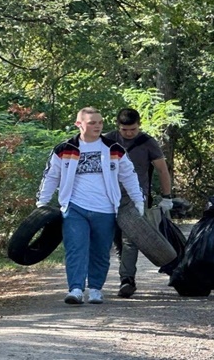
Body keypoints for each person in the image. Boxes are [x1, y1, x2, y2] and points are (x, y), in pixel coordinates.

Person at [36, 107, 145, 305]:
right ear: (79, 124)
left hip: (105, 209)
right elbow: (51, 176)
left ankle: (95, 289)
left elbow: (128, 175)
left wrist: (138, 200)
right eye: (92, 122)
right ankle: (76, 289)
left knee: (100, 251)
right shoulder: (64, 149)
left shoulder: (114, 149)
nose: (97, 126)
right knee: (76, 248)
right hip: (74, 207)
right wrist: (42, 202)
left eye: (100, 122)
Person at [104, 108, 174, 298]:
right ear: (118, 126)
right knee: (116, 241)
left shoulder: (148, 143)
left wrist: (166, 197)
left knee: (130, 240)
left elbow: (162, 170)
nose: (129, 133)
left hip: (135, 197)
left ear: (139, 125)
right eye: (124, 130)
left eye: (133, 129)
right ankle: (115, 276)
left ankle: (127, 279)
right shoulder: (107, 140)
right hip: (107, 197)